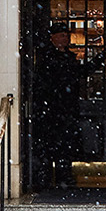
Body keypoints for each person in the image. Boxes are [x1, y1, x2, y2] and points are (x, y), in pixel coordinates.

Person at [31, 21, 88, 191]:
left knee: (65, 145)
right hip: (51, 109)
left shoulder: (68, 57)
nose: (66, 38)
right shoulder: (47, 58)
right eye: (62, 35)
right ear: (53, 38)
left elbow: (77, 73)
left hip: (66, 109)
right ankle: (47, 179)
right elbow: (63, 76)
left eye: (67, 35)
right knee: (51, 145)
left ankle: (64, 177)